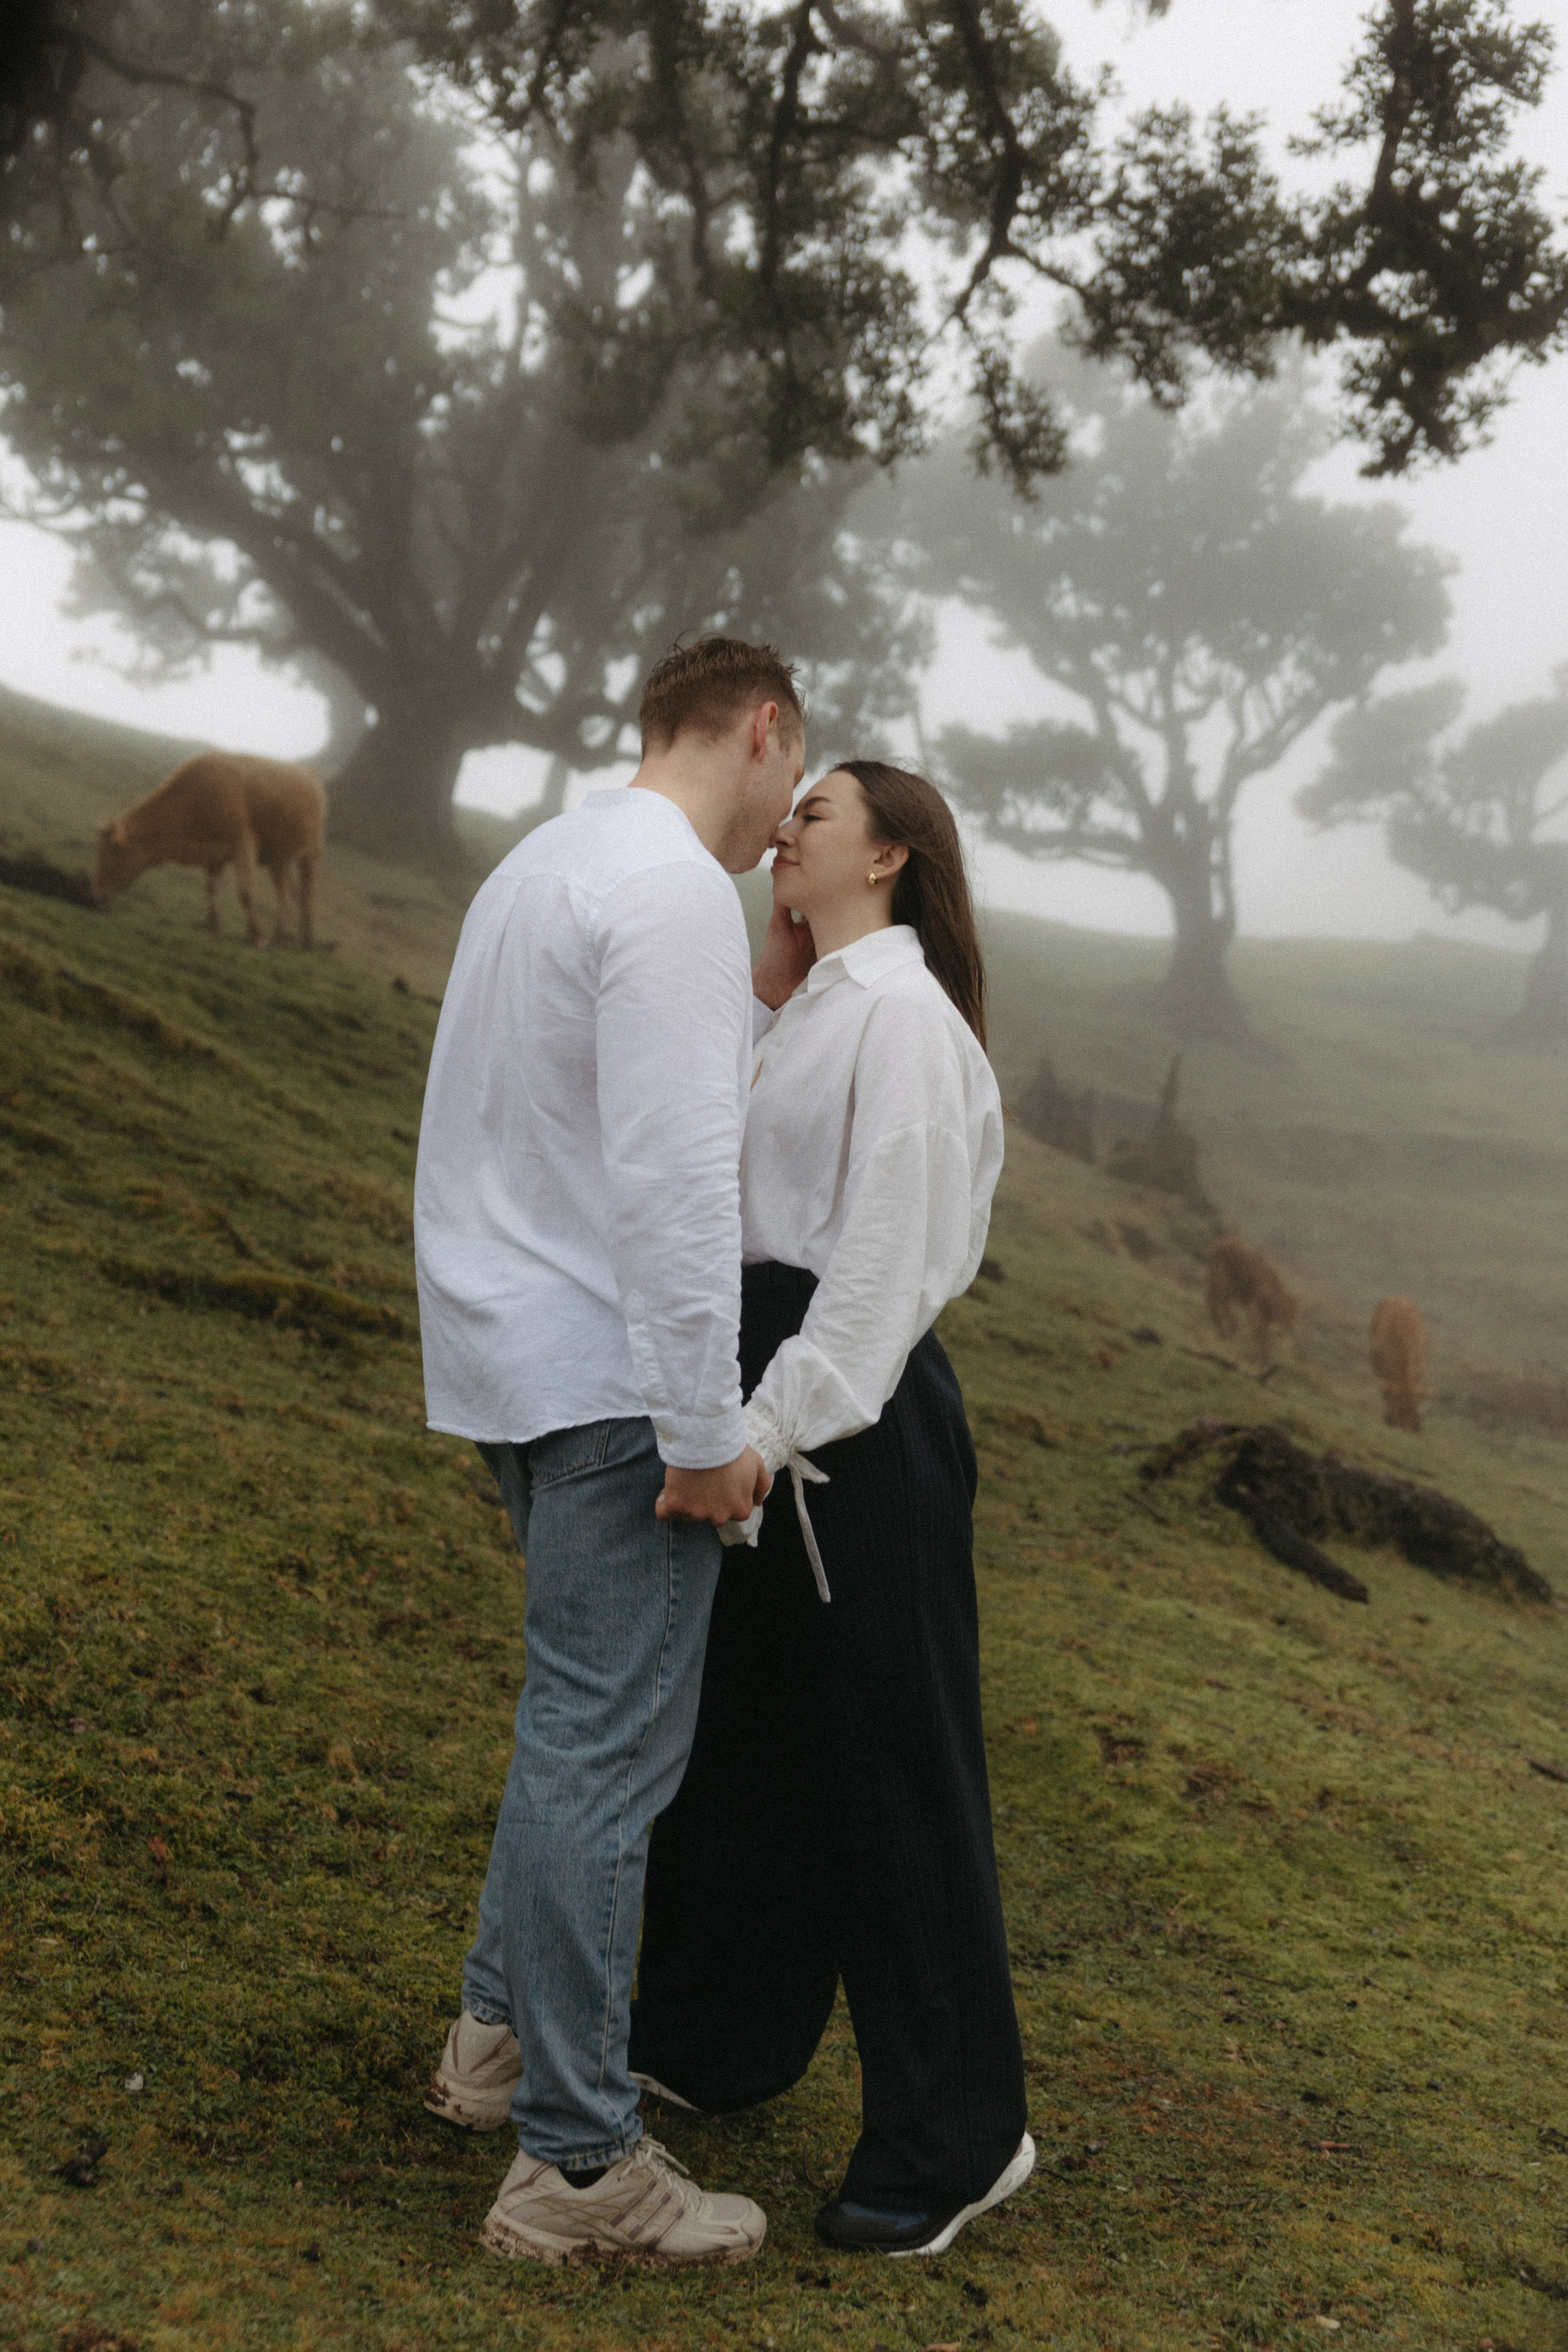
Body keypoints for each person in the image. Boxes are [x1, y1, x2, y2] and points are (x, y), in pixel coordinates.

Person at [413, 637, 803, 2266]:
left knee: (568, 1729)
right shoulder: (670, 897)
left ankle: (498, 2043)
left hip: (512, 1360)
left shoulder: (546, 860)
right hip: (615, 1385)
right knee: (609, 1755)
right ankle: (579, 2172)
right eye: (796, 776)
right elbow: (670, 1178)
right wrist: (706, 1426)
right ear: (765, 730)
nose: (790, 823)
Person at [628, 760, 1035, 2256]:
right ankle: (715, 2036)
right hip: (759, 1404)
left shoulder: (906, 1024)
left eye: (816, 813)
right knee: (747, 1738)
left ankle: (957, 2136)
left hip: (844, 1430)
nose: (784, 827)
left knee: (892, 1776)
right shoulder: (817, 1005)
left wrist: (765, 1428)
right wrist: (767, 983)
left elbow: (873, 1271)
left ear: (890, 856)